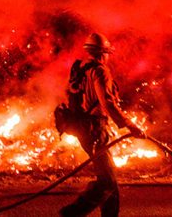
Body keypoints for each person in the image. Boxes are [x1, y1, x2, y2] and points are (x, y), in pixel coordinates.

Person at [60, 32, 145, 217]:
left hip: (83, 127)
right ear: (103, 53)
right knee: (107, 182)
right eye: (107, 53)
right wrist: (130, 125)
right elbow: (107, 102)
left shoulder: (81, 69)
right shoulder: (100, 71)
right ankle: (72, 213)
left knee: (109, 179)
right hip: (95, 128)